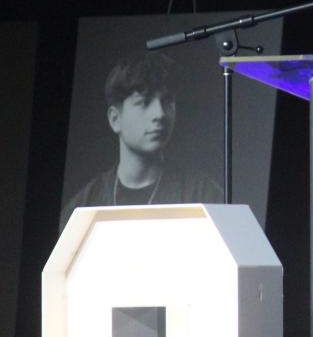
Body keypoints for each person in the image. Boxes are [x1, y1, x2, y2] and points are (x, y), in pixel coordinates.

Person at [59, 52, 222, 231]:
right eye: (144, 102)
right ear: (115, 119)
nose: (159, 114)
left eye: (167, 101)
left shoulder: (203, 195)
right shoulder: (83, 206)